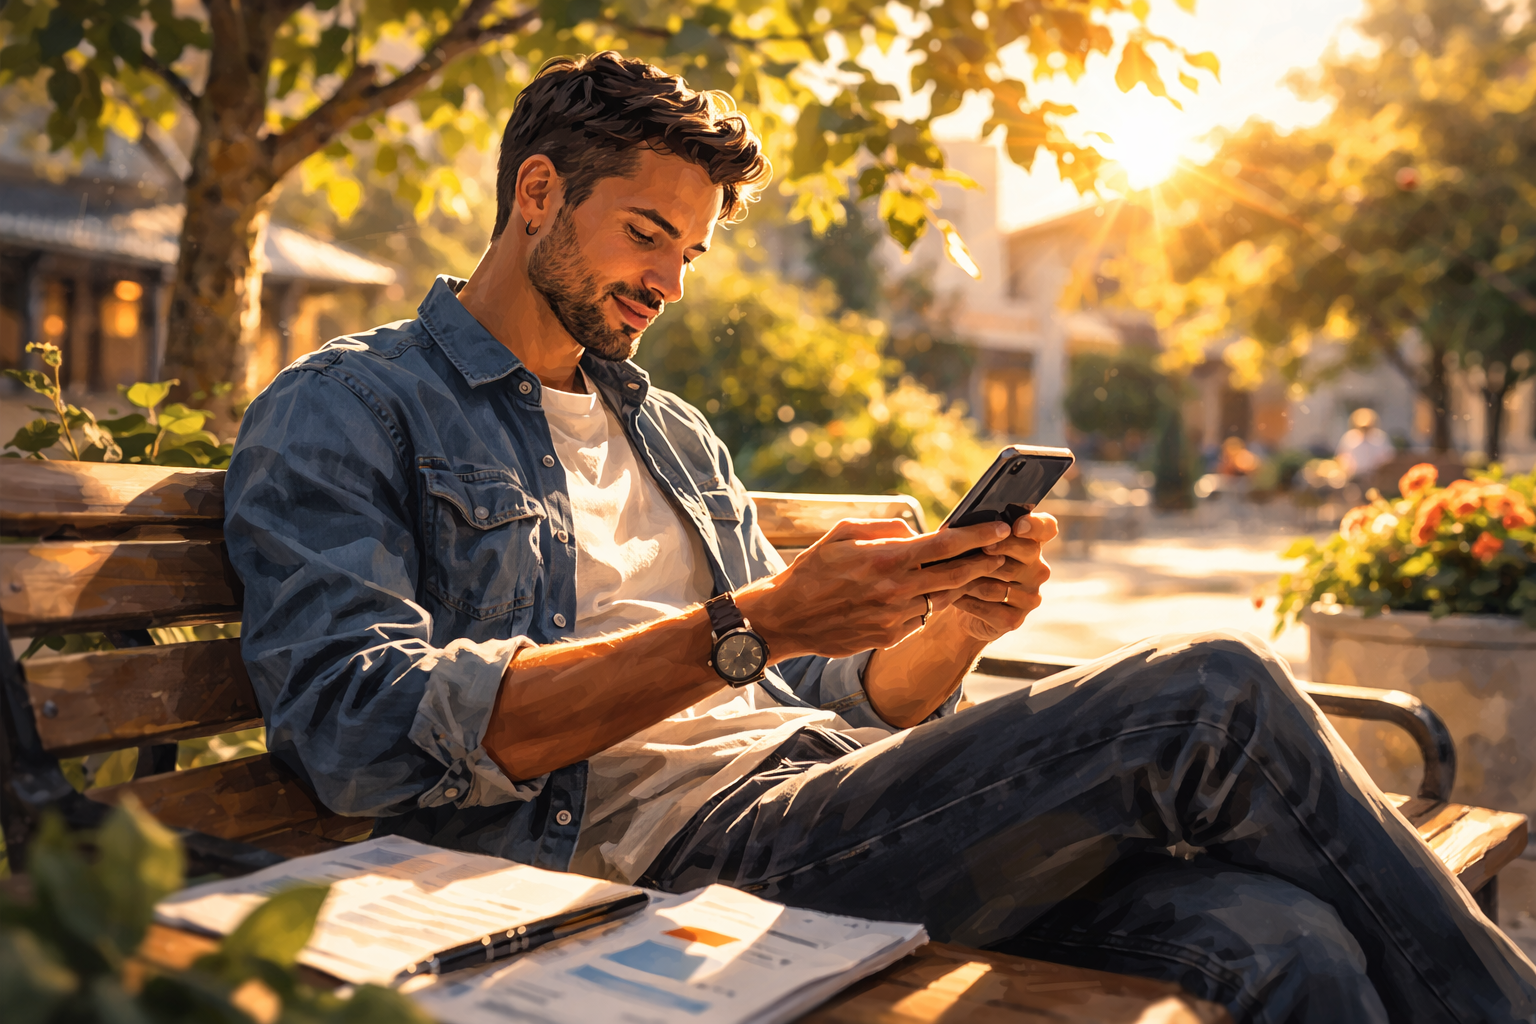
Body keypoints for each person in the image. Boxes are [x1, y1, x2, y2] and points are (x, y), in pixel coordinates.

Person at [224, 53, 1536, 1024]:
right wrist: (755, 624)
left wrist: (954, 625)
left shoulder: (669, 431)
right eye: (646, 234)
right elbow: (355, 728)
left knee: (1281, 938)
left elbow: (821, 693)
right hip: (669, 869)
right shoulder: (353, 410)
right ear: (536, 192)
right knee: (1211, 689)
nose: (670, 283)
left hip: (824, 803)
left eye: (689, 252)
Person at [1336, 407, 1396, 481]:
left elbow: (1389, 457)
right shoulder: (1349, 438)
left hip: (1376, 476)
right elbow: (1342, 457)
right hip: (1355, 477)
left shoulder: (1380, 438)